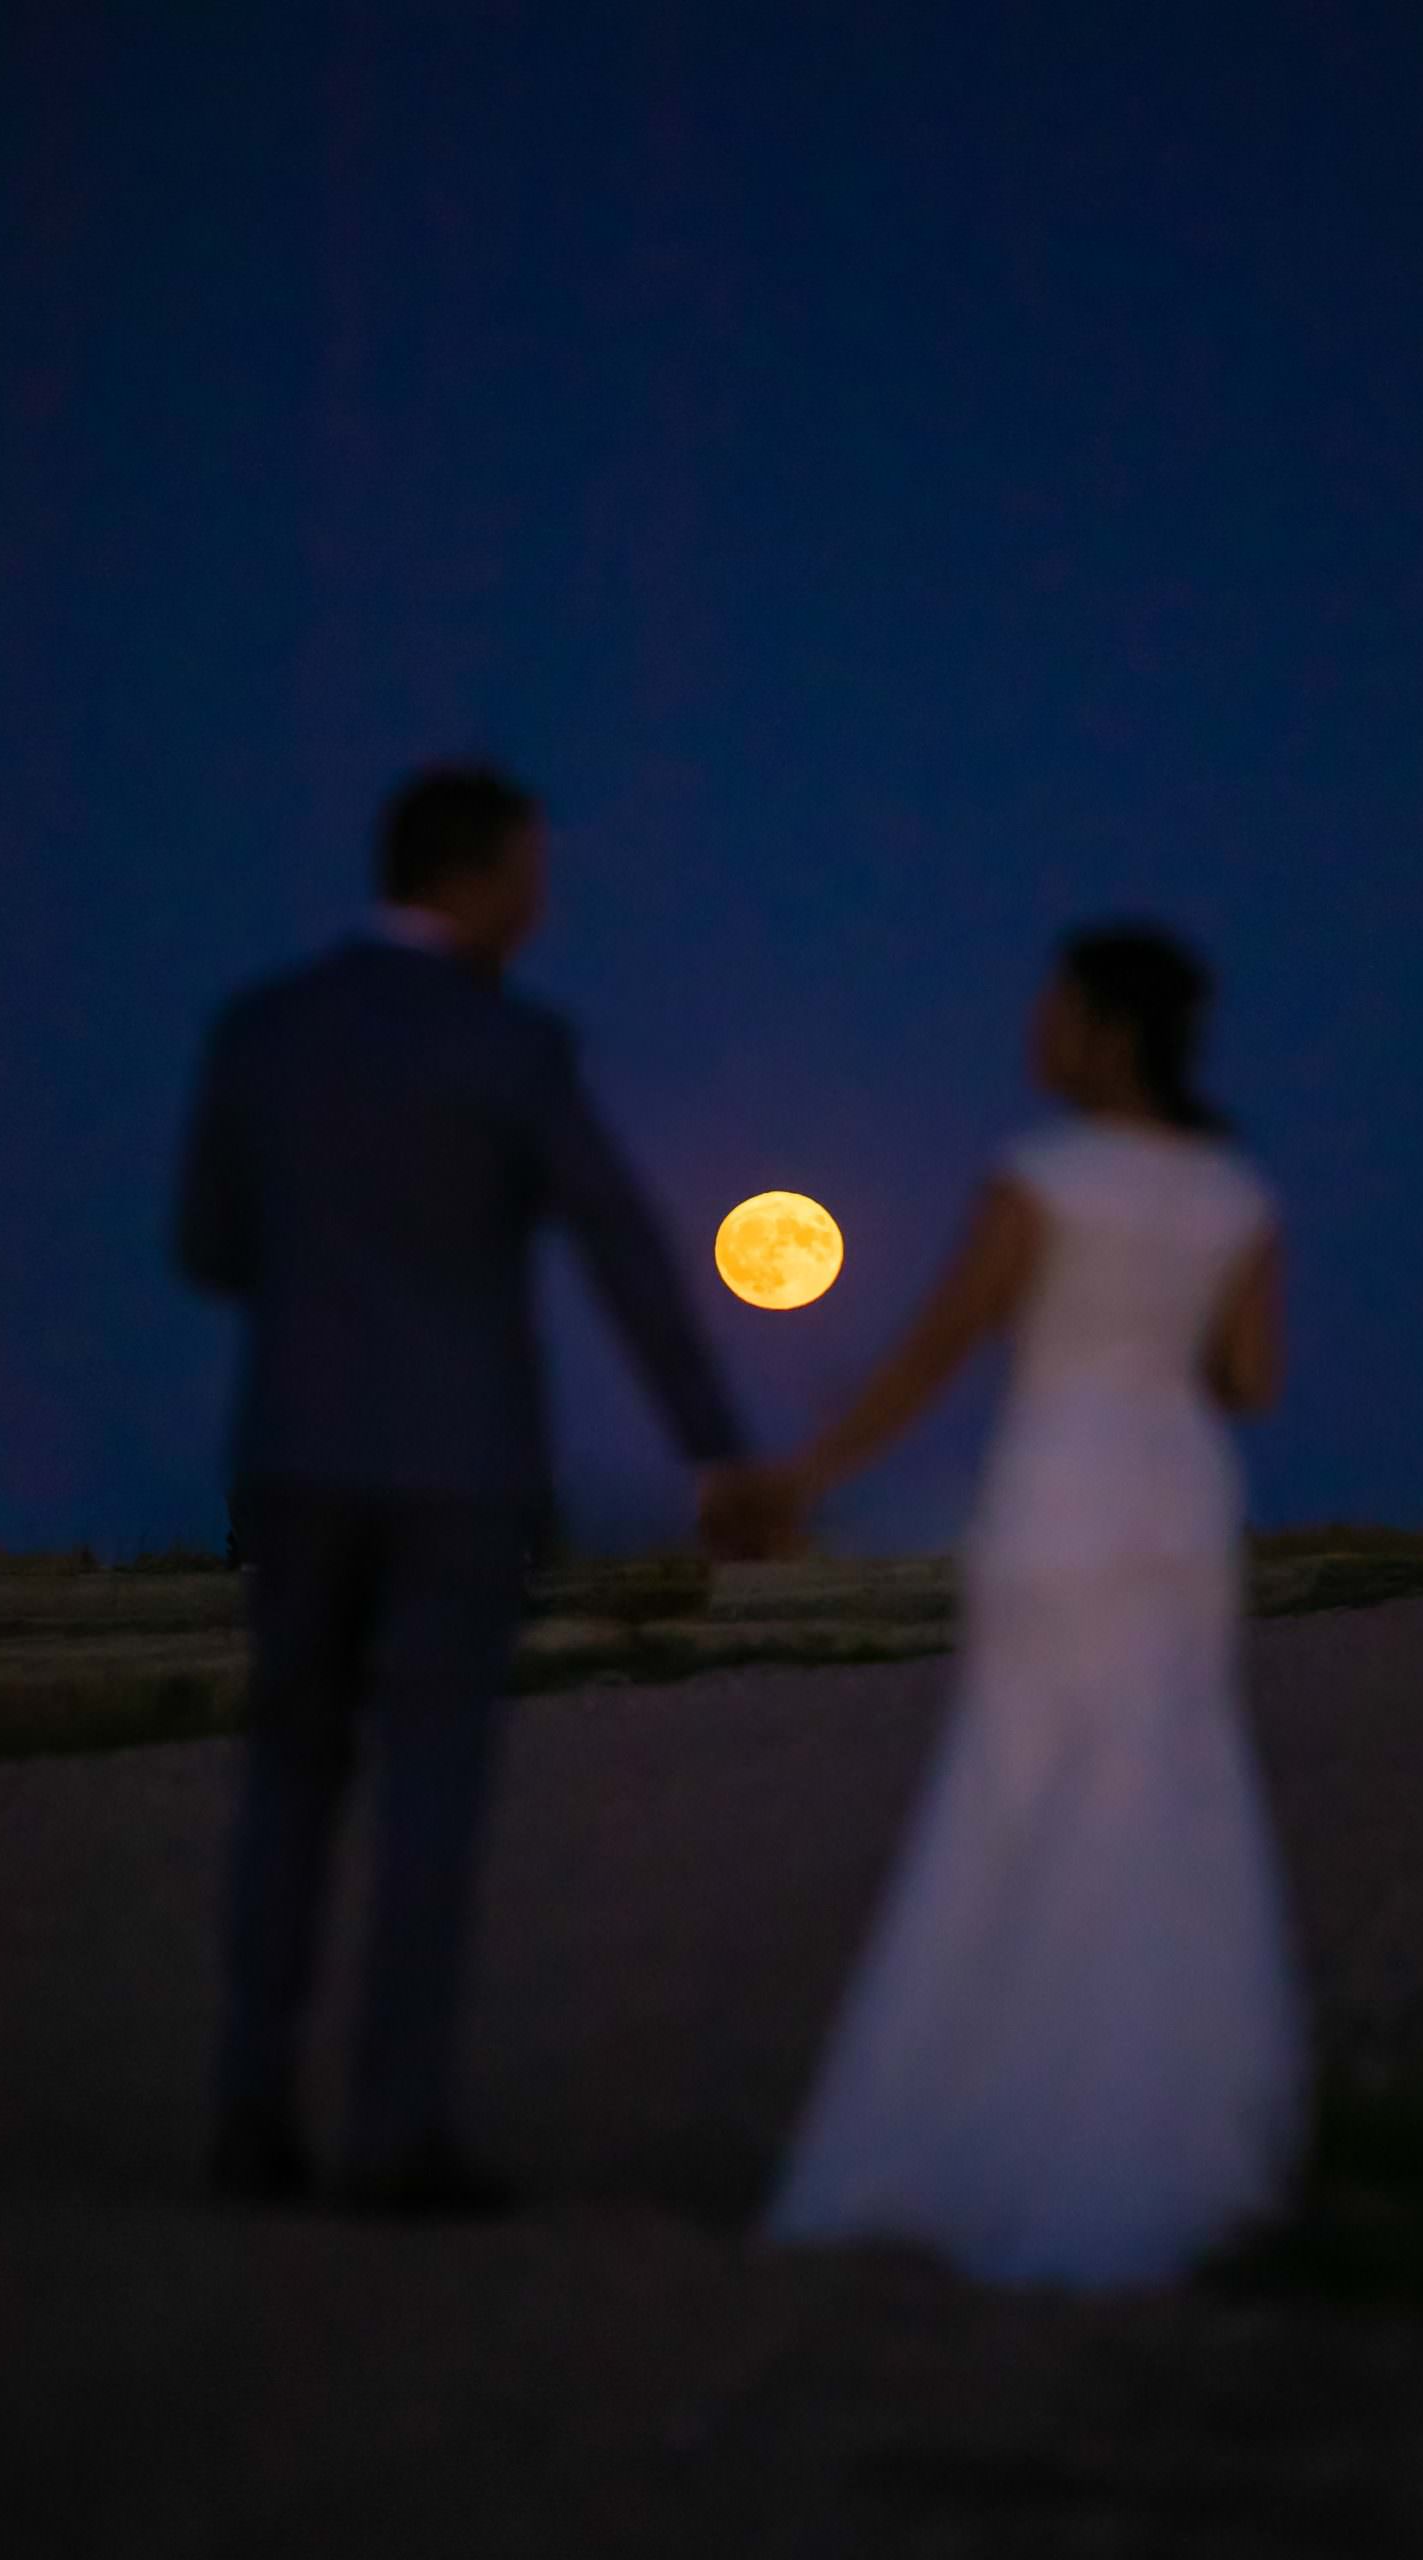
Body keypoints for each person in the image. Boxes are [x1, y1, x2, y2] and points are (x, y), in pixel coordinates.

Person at [174, 763, 756, 2215]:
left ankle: (251, 2111)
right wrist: (715, 1444)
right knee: (431, 1793)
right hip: (460, 1470)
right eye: (533, 874)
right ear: (481, 878)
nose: (544, 903)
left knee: (289, 1781)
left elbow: (206, 1242)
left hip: (298, 1455)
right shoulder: (513, 1044)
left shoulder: (265, 1027)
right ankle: (395, 2132)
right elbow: (619, 1244)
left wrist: (321, 1302)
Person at [708, 923, 1310, 2289]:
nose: (1032, 1029)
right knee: (1166, 1781)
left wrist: (804, 1471)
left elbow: (936, 1348)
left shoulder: (1039, 1179)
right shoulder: (1237, 1195)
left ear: (1101, 1026)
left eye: (1050, 1007)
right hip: (1178, 1501)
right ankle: (1154, 2133)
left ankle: (988, 2120)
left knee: (1026, 1781)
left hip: (1062, 1495)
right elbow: (1253, 1379)